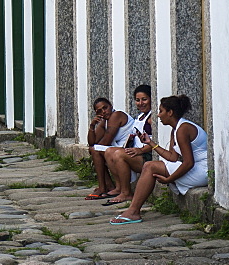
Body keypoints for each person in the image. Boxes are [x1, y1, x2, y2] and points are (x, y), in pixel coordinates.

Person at [110, 95, 208, 225]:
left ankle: (133, 211)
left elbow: (188, 163)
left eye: (161, 111)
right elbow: (172, 157)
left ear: (170, 112)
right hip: (196, 168)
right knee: (150, 166)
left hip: (202, 171)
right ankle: (133, 210)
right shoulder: (176, 129)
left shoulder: (183, 129)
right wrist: (150, 143)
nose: (158, 115)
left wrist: (170, 179)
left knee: (150, 166)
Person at [102, 85, 155, 204]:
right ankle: (119, 187)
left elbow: (156, 142)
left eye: (144, 99)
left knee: (119, 155)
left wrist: (140, 151)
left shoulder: (152, 119)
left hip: (148, 155)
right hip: (136, 151)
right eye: (137, 100)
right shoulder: (140, 116)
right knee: (109, 151)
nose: (141, 103)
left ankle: (127, 193)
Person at [85, 97, 135, 199]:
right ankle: (108, 186)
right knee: (93, 149)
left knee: (95, 150)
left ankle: (103, 187)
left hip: (128, 149)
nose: (103, 112)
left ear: (111, 106)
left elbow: (106, 141)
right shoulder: (105, 121)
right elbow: (91, 142)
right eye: (99, 111)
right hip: (117, 149)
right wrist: (92, 126)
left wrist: (95, 146)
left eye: (105, 108)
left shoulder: (117, 115)